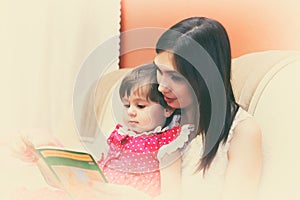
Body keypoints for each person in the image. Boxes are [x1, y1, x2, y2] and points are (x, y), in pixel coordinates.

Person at [67, 17, 262, 200]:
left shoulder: (242, 132)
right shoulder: (158, 116)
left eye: (175, 77)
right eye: (159, 71)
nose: (161, 86)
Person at [98, 63, 193, 197]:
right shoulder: (120, 135)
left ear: (167, 109)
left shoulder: (167, 146)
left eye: (140, 106)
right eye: (127, 105)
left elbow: (171, 193)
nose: (130, 111)